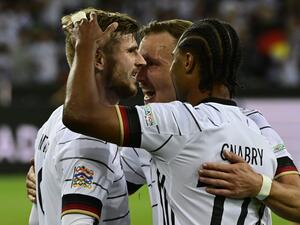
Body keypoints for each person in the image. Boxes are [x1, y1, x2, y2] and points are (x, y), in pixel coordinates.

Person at [27, 18, 300, 224]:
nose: (139, 73)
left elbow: (83, 114)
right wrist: (54, 171)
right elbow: (106, 175)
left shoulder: (249, 123)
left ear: (186, 62)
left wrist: (260, 185)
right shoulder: (154, 135)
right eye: (137, 60)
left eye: (153, 64)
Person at [29, 8, 146, 225]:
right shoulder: (89, 138)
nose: (141, 61)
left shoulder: (53, 121)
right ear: (99, 59)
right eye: (131, 51)